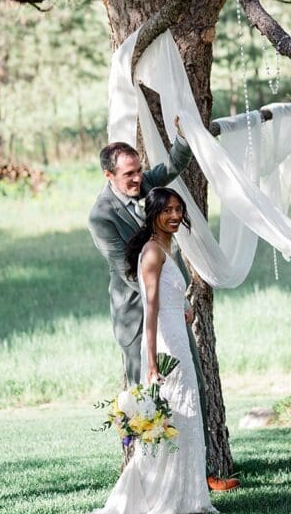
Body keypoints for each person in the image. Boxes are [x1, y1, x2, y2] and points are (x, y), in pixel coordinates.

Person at [88, 123, 239, 492]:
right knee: (148, 399)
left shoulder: (145, 186)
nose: (138, 178)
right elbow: (127, 270)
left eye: (139, 170)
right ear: (109, 176)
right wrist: (172, 297)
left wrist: (185, 135)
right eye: (129, 174)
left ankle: (200, 473)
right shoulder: (101, 217)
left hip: (170, 310)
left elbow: (172, 165)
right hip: (138, 316)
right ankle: (152, 479)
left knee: (191, 386)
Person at [83, 188, 219, 514]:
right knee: (173, 419)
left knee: (185, 418)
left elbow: (169, 297)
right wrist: (154, 362)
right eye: (167, 210)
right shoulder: (153, 252)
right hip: (164, 344)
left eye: (178, 209)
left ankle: (188, 497)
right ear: (154, 213)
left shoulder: (166, 247)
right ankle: (163, 496)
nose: (174, 216)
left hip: (178, 336)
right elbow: (151, 308)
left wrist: (185, 307)